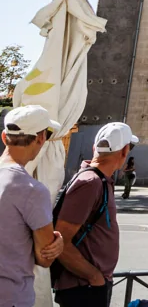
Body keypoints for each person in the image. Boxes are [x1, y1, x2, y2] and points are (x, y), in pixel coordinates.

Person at [53, 121, 139, 307]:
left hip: (88, 285)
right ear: (124, 152)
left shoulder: (97, 179)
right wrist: (94, 277)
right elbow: (60, 241)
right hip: (83, 287)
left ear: (94, 148)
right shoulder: (90, 182)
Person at [0, 105, 65, 307]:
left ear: (4, 137)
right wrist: (58, 241)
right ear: (41, 139)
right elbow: (45, 258)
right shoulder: (32, 190)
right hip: (11, 297)